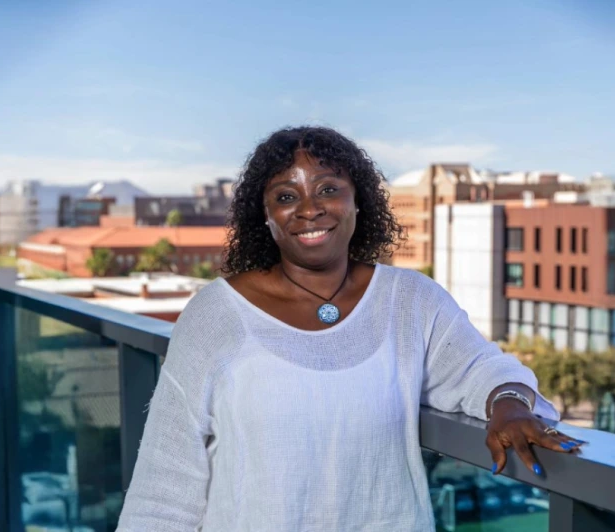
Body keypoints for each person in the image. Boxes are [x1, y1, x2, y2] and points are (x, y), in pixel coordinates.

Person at [116, 126, 583, 531]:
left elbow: (480, 368)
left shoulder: (410, 301)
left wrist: (509, 405)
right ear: (264, 216)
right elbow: (166, 483)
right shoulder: (216, 313)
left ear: (359, 200)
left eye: (327, 189)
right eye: (285, 196)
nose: (309, 209)